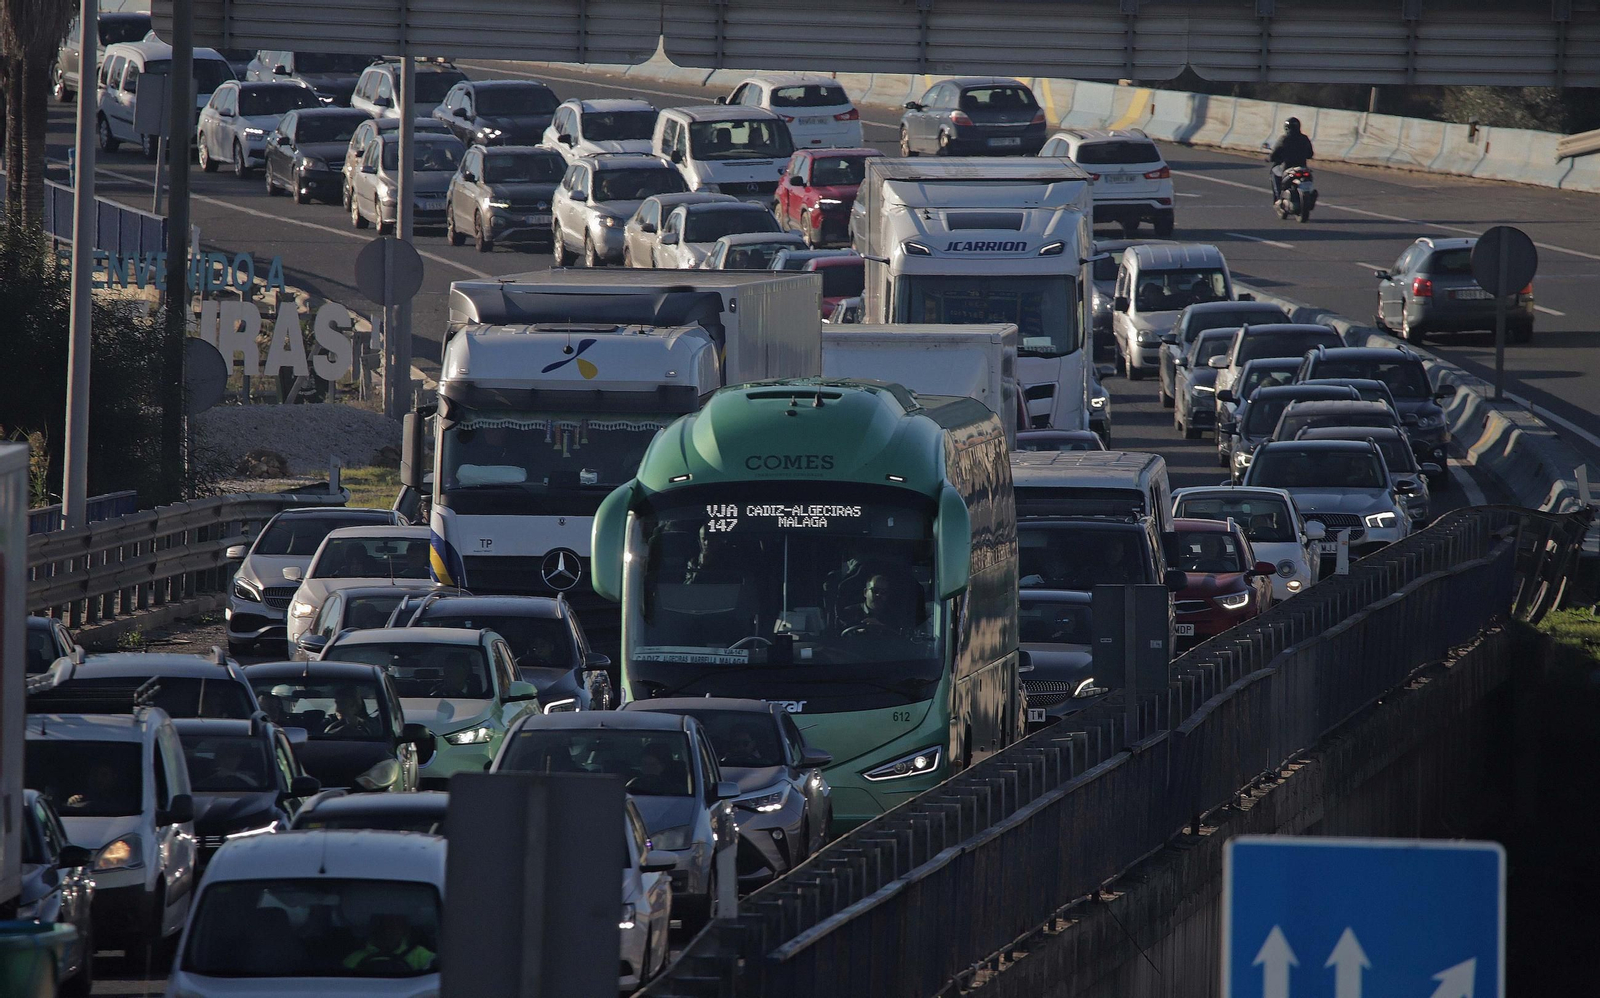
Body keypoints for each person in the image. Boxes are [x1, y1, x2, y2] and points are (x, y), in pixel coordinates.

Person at [343, 913, 435, 974]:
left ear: (403, 930)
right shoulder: (354, 959)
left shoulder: (421, 955)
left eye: (393, 926)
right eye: (382, 926)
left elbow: (439, 974)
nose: (387, 931)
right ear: (373, 929)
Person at [1268, 117, 1315, 200]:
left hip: (1287, 167)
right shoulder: (1304, 138)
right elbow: (1310, 154)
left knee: (1274, 172)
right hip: (1302, 166)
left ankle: (1279, 197)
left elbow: (1274, 154)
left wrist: (1270, 158)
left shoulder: (1284, 139)